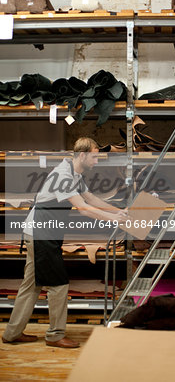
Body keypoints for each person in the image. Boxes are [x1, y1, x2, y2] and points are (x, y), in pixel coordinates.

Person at [2, 137, 128, 348]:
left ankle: (12, 333)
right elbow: (83, 208)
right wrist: (114, 219)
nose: (96, 162)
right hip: (41, 234)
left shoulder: (73, 173)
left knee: (31, 285)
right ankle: (55, 335)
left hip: (40, 233)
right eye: (95, 157)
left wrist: (118, 211)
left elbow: (92, 199)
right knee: (59, 284)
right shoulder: (63, 176)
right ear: (83, 155)